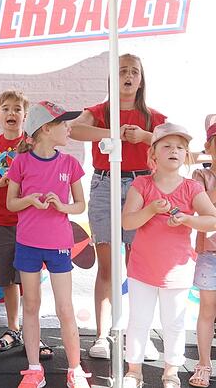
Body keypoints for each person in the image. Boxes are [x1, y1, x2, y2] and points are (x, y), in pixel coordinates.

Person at [69, 53, 166, 360]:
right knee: (108, 265)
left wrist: (146, 136)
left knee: (138, 267)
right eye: (122, 70)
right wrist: (112, 134)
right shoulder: (99, 111)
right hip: (104, 185)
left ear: (141, 79)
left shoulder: (153, 117)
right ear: (114, 78)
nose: (128, 75)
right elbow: (75, 130)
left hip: (141, 188)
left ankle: (137, 335)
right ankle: (103, 335)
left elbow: (175, 145)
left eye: (133, 71)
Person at [121, 123, 216, 388]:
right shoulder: (142, 184)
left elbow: (212, 220)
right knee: (138, 320)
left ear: (186, 154)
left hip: (178, 271)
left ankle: (171, 371)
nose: (174, 150)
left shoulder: (191, 188)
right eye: (167, 146)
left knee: (174, 324)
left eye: (180, 147)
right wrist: (151, 209)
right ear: (153, 155)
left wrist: (187, 219)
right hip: (141, 269)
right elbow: (127, 222)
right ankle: (134, 371)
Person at [5, 101, 89, 388]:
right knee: (31, 305)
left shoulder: (70, 163)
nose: (69, 129)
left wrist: (62, 206)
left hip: (59, 246)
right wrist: (29, 200)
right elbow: (11, 203)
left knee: (65, 307)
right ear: (46, 129)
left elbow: (79, 205)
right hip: (27, 244)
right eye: (64, 125)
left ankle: (75, 369)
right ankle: (33, 368)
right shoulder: (21, 162)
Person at [0, 91, 51, 357]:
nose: (12, 114)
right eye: (6, 109)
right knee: (7, 279)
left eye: (17, 109)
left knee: (29, 279)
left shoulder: (31, 144)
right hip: (1, 219)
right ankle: (14, 329)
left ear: (24, 116)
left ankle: (33, 332)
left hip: (31, 221)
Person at [189, 119, 216, 387]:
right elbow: (203, 207)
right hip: (210, 254)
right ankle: (204, 364)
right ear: (209, 146)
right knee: (207, 310)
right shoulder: (201, 176)